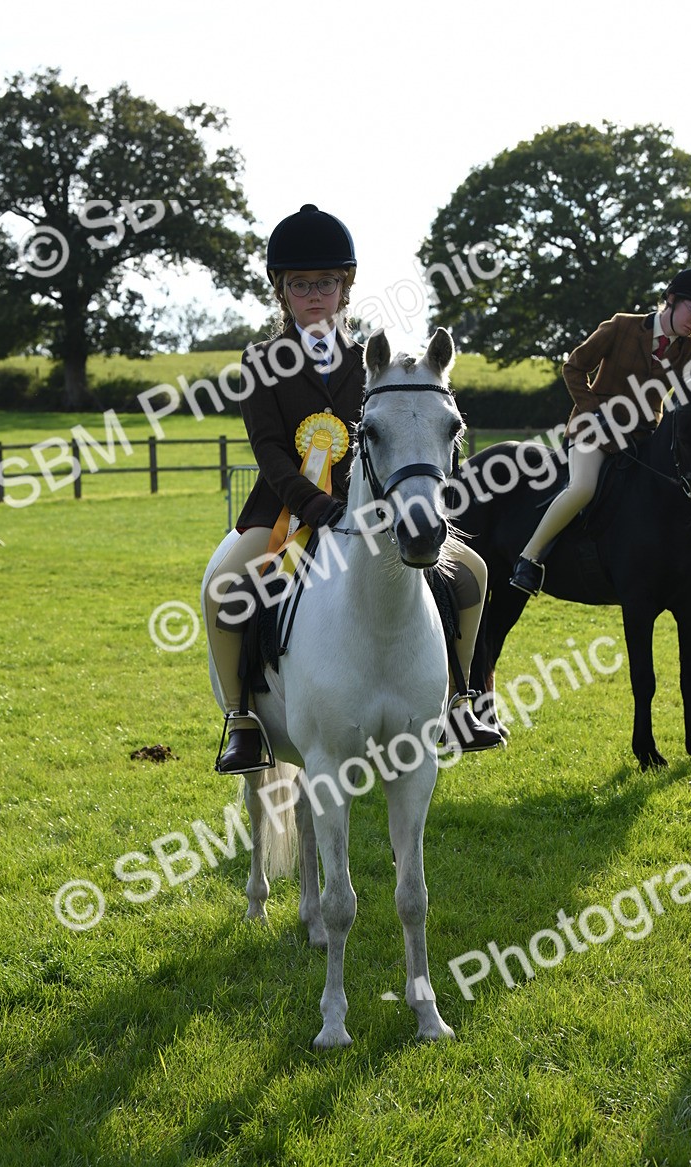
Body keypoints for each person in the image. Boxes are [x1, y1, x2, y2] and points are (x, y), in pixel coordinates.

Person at [202, 203, 500, 773]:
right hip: (285, 511)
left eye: (327, 283)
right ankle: (241, 720)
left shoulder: (374, 359)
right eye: (301, 285)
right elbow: (267, 449)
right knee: (225, 587)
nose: (315, 295)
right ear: (282, 292)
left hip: (374, 510)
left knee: (473, 573)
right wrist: (315, 504)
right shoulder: (261, 360)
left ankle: (464, 698)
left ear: (346, 288)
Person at [510, 265, 691, 597]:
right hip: (595, 431)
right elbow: (574, 367)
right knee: (582, 488)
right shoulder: (622, 326)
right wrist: (593, 411)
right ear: (672, 299)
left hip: (643, 435)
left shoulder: (688, 348)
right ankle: (529, 559)